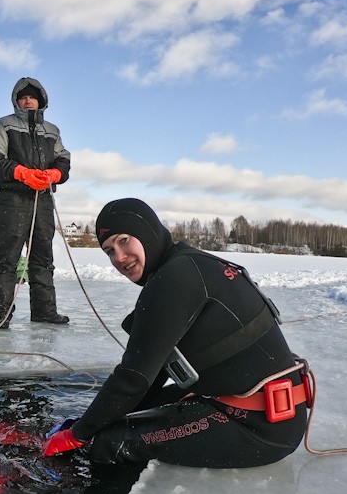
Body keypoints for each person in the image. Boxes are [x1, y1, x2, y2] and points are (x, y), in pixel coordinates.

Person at [43, 198, 311, 467]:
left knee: (111, 444)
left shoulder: (174, 279)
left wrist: (77, 436)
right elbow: (153, 373)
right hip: (257, 408)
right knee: (122, 418)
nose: (119, 257)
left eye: (124, 240)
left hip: (259, 428)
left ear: (147, 232)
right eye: (109, 250)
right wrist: (93, 421)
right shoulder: (190, 264)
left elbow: (133, 379)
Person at [0, 77, 71, 328]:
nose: (28, 100)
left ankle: (44, 311)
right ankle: (1, 315)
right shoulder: (3, 125)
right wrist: (21, 173)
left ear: (41, 101)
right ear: (17, 101)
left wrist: (55, 174)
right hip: (13, 199)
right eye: (23, 97)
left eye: (33, 97)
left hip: (43, 200)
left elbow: (63, 159)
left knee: (42, 258)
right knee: (6, 258)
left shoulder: (52, 131)